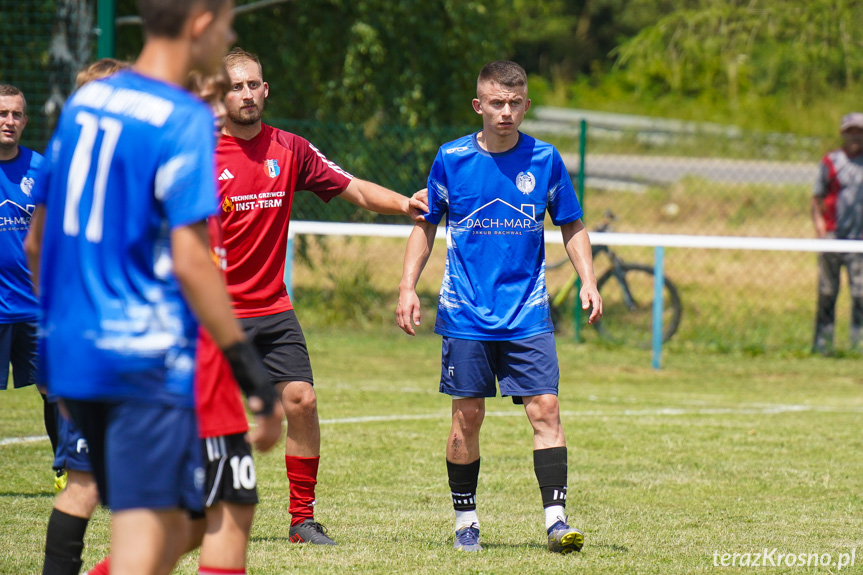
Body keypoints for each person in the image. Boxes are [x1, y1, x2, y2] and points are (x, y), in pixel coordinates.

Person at [25, 1, 279, 574]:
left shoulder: (87, 101)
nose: (230, 34)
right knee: (146, 550)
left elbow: (38, 244)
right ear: (199, 24)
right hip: (142, 359)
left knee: (179, 527)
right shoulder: (180, 117)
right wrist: (251, 373)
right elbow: (192, 262)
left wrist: (60, 340)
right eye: (227, 23)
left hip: (76, 357)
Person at [216, 47, 428, 545]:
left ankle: (301, 519)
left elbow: (352, 187)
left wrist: (405, 204)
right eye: (235, 86)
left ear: (265, 90)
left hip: (273, 308)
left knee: (302, 401)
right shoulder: (196, 154)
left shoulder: (289, 149)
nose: (246, 94)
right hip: (214, 313)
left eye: (254, 85)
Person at [396, 60, 602, 554]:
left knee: (546, 409)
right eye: (496, 102)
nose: (506, 112)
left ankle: (557, 522)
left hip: (527, 311)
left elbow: (571, 224)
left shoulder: (546, 159)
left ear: (526, 105)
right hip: (466, 312)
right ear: (479, 105)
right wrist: (407, 286)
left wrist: (588, 280)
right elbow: (425, 225)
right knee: (467, 417)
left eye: (515, 103)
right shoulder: (451, 158)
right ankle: (466, 522)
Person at [83, 65, 283, 575]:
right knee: (221, 518)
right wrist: (254, 380)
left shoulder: (179, 173)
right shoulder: (168, 175)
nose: (221, 107)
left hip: (194, 382)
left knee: (197, 524)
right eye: (209, 97)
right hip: (182, 385)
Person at [0, 84, 60, 486]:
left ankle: (68, 466)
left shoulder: (40, 169)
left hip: (35, 305)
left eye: (16, 115)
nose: (9, 122)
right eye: (2, 113)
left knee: (53, 389)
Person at [811, 112, 863, 355]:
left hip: (860, 241)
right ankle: (822, 344)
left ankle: (858, 345)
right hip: (833, 237)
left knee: (860, 293)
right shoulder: (830, 161)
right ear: (843, 133)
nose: (855, 136)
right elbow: (817, 198)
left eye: (859, 131)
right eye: (851, 131)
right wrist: (821, 230)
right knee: (827, 292)